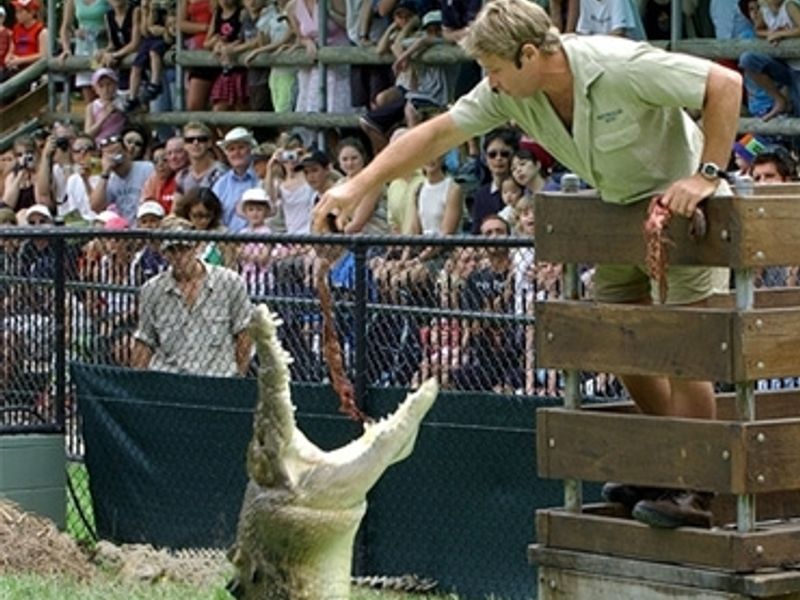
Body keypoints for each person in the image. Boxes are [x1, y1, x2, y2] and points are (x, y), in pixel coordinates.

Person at [315, 0, 742, 529]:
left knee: (683, 347)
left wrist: (705, 176)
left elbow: (723, 85)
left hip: (684, 212)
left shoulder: (616, 62)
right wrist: (359, 183)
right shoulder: (512, 88)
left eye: (494, 68)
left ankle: (698, 488)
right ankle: (669, 461)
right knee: (616, 336)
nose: (488, 81)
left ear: (531, 53)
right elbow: (436, 132)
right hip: (621, 216)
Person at [132, 216, 253, 376]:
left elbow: (244, 334)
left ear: (196, 247)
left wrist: (238, 377)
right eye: (172, 250)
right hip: (169, 377)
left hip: (217, 377)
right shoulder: (152, 289)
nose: (179, 256)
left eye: (184, 248)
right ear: (164, 253)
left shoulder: (229, 282)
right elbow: (144, 341)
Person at [90, 133, 155, 223]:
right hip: (123, 230)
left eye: (116, 152)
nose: (113, 157)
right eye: (108, 154)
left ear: (127, 152)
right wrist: (105, 172)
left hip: (145, 226)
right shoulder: (109, 179)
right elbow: (96, 207)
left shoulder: (147, 168)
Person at [211, 127, 261, 232]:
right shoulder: (220, 184)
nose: (236, 152)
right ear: (227, 154)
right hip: (227, 242)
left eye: (241, 147)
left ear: (250, 149)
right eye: (231, 149)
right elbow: (213, 216)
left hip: (257, 242)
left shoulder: (261, 177)